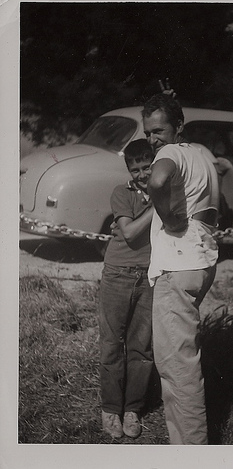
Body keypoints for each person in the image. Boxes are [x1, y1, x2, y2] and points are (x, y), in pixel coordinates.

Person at [142, 93, 220, 445]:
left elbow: (157, 181)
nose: (153, 139)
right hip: (201, 262)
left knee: (178, 369)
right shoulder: (201, 154)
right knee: (181, 358)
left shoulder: (169, 154)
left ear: (178, 127)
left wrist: (167, 213)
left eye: (159, 130)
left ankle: (190, 453)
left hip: (177, 268)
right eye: (148, 133)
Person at [99, 139, 155, 440]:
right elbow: (131, 232)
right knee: (111, 344)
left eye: (148, 167)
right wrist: (157, 205)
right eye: (136, 169)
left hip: (149, 277)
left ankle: (133, 409)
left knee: (142, 348)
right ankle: (111, 409)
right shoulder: (122, 192)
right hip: (118, 275)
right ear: (129, 170)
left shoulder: (164, 191)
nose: (143, 174)